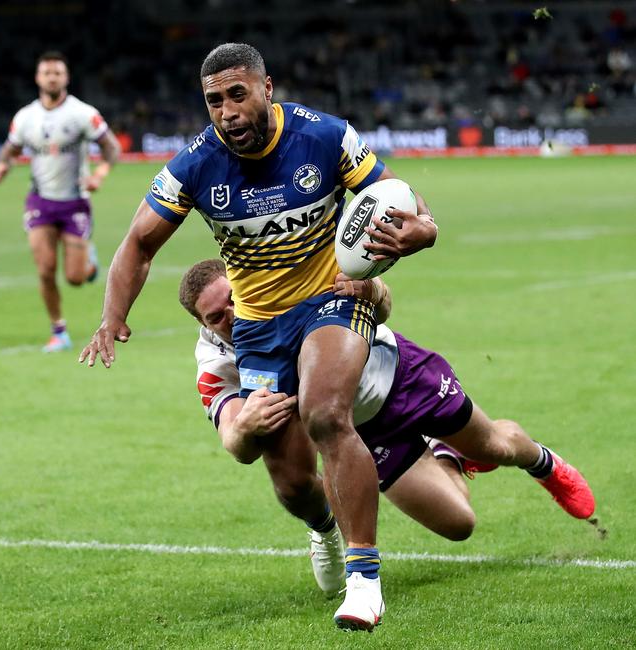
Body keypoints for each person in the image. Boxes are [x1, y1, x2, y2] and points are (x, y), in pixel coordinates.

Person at [79, 42, 438, 630]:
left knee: (325, 414)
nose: (226, 112)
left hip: (330, 300)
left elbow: (404, 203)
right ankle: (323, 528)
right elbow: (138, 243)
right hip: (259, 328)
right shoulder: (194, 165)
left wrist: (421, 234)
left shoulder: (324, 137)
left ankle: (365, 581)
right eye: (214, 101)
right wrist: (112, 317)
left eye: (237, 95)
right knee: (291, 479)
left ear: (267, 88)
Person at [177, 260, 595, 630]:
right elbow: (233, 439)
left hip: (404, 378)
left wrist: (372, 288)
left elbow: (381, 301)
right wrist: (243, 428)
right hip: (360, 432)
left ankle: (543, 463)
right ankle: (444, 454)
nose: (231, 316)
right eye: (216, 317)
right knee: (459, 525)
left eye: (234, 299)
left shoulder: (286, 282)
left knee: (494, 447)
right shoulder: (216, 358)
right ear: (204, 324)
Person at [0, 51, 120, 353]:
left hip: (75, 202)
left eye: (57, 73)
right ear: (37, 78)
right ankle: (58, 331)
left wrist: (100, 173)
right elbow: (10, 150)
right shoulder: (25, 117)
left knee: (74, 278)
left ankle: (88, 262)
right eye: (47, 73)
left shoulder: (81, 113)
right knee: (45, 269)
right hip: (40, 202)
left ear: (66, 78)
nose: (52, 78)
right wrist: (2, 167)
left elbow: (111, 146)